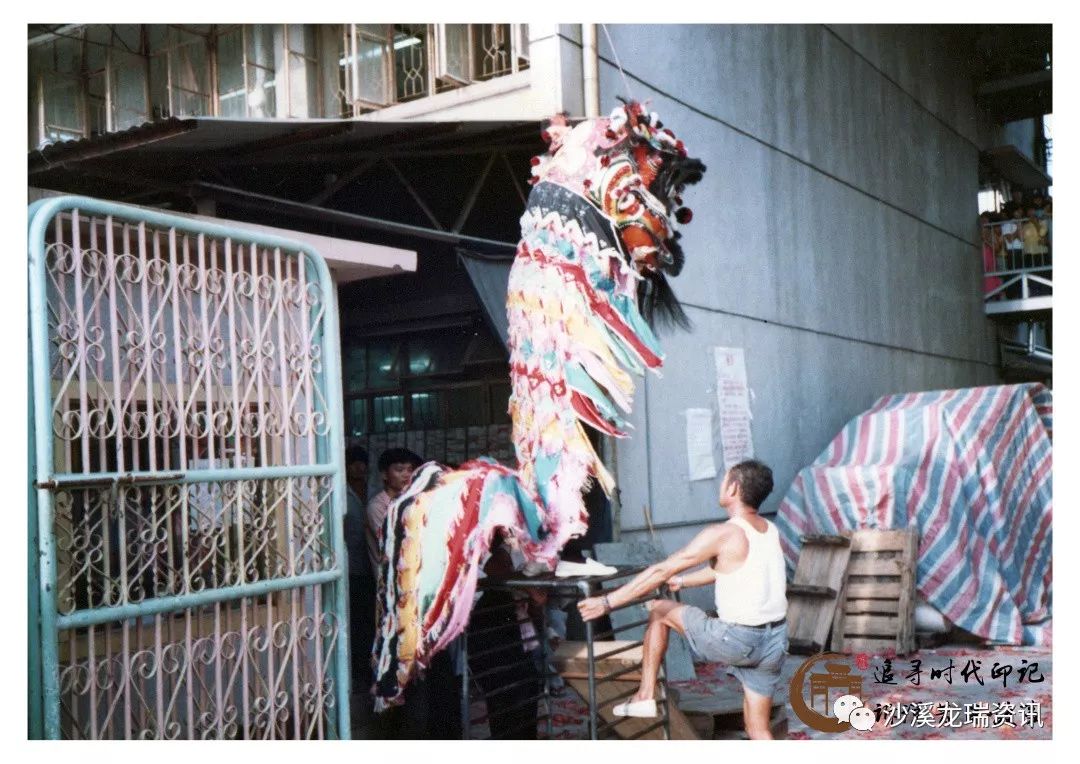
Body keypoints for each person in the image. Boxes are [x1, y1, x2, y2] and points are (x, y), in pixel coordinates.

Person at [577, 459, 788, 740]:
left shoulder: (724, 533)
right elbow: (725, 570)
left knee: (660, 610)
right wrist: (684, 582)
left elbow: (663, 568)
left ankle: (644, 696)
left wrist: (607, 602)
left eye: (724, 480)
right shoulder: (768, 530)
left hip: (737, 639)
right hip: (773, 641)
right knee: (758, 729)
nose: (721, 485)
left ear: (734, 488)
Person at [342, 445, 378, 736]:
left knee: (370, 625)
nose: (359, 468)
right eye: (354, 463)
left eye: (362, 463)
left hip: (373, 570)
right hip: (351, 570)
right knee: (357, 625)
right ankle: (356, 677)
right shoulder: (342, 495)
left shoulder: (374, 492)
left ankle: (367, 674)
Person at [365, 447, 423, 572]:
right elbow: (395, 543)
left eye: (410, 470)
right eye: (399, 470)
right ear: (385, 475)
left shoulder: (412, 501)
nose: (407, 475)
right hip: (390, 579)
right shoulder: (377, 506)